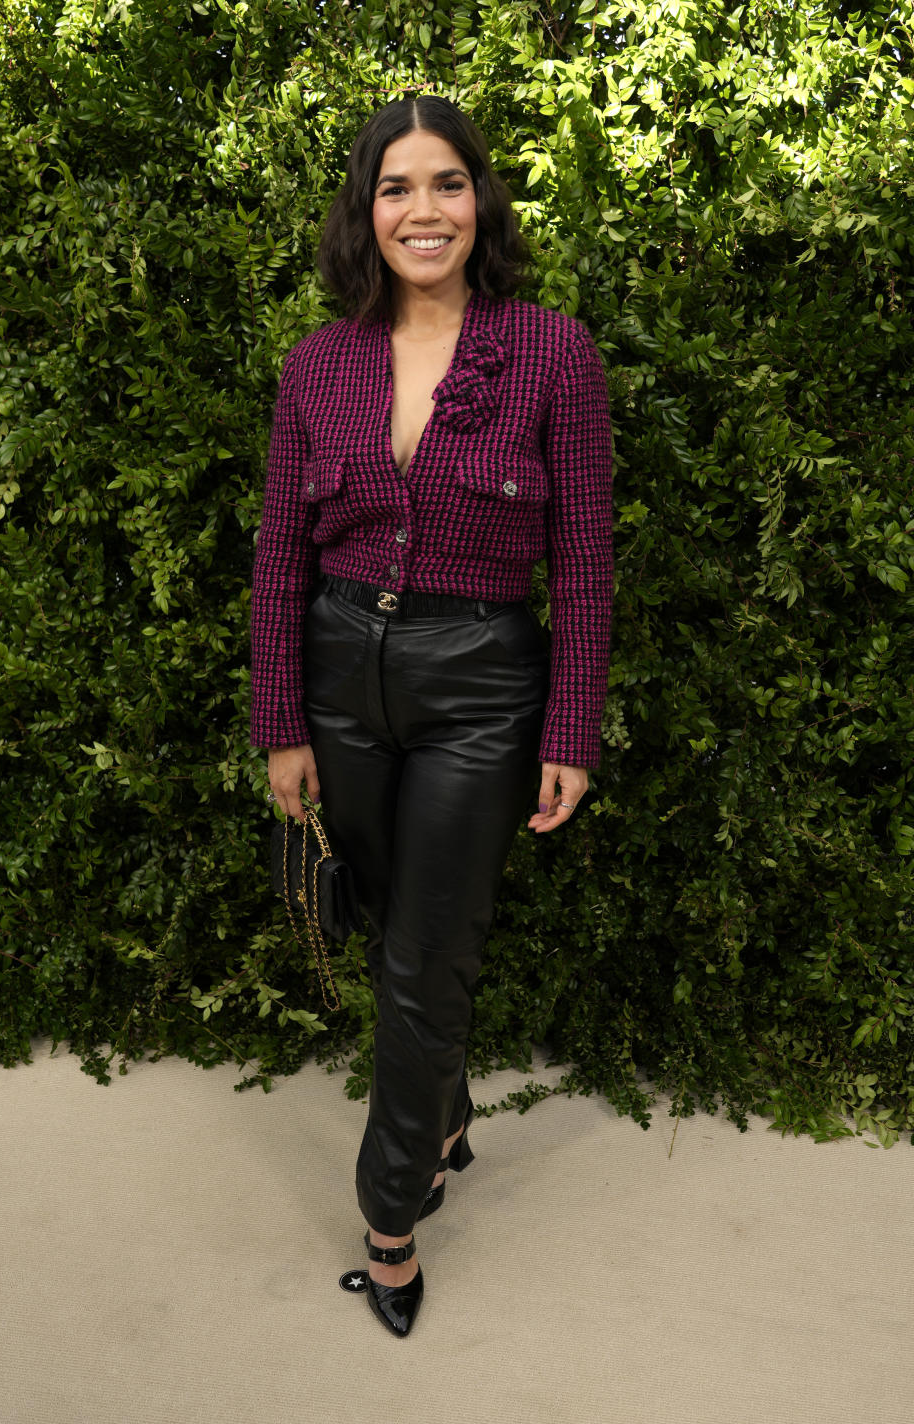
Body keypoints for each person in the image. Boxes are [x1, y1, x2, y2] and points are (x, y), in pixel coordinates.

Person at [250, 93, 613, 1338]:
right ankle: (447, 1112)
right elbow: (277, 563)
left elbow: (585, 558)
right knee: (389, 934)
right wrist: (280, 717)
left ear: (480, 202)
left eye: (446, 184)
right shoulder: (318, 362)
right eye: (396, 187)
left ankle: (391, 1214)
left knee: (424, 958)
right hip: (341, 672)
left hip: (480, 685)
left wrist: (572, 726)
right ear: (367, 208)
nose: (422, 210)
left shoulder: (553, 351)